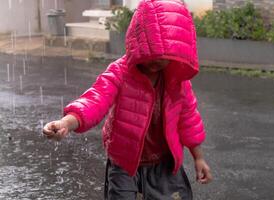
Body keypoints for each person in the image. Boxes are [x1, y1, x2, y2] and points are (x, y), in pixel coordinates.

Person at [43, 0, 212, 199]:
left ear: (176, 51)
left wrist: (198, 157)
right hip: (125, 160)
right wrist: (67, 122)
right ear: (137, 41)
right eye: (150, 52)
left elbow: (188, 119)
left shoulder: (177, 81)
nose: (155, 60)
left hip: (163, 161)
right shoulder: (120, 72)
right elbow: (96, 99)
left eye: (163, 54)